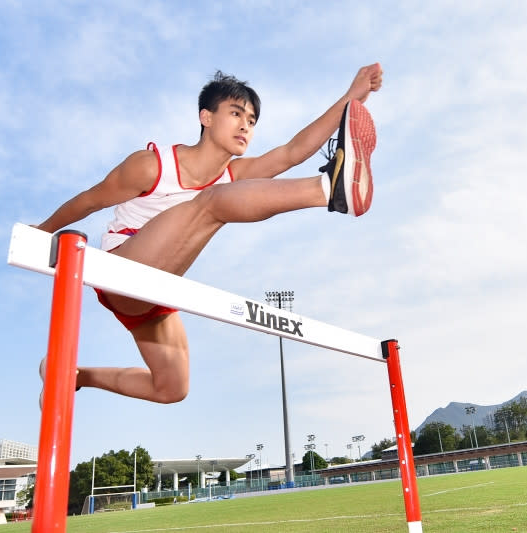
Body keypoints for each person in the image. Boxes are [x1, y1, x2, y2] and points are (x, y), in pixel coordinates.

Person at [36, 63, 383, 405]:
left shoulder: (233, 175)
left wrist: (351, 98)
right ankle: (329, 189)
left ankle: (74, 375)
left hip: (157, 289)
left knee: (172, 388)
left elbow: (290, 153)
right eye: (236, 114)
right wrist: (41, 233)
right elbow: (90, 199)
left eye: (251, 121)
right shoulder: (151, 165)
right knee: (211, 204)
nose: (245, 126)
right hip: (121, 269)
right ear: (206, 117)